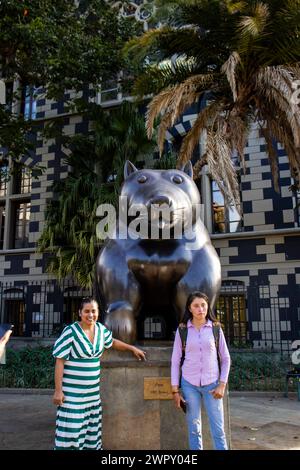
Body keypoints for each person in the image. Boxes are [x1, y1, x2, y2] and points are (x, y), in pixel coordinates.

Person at [52, 296, 146, 450]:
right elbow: (59, 361)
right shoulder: (70, 331)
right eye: (86, 311)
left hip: (92, 398)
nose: (90, 315)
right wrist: (58, 391)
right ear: (80, 313)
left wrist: (132, 348)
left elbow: (113, 342)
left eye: (93, 311)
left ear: (98, 312)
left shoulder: (101, 330)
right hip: (72, 398)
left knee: (91, 438)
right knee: (71, 437)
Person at [171, 291, 231, 450]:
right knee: (194, 429)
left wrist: (222, 385)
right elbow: (175, 361)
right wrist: (175, 390)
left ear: (207, 307)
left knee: (218, 430)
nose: (200, 309)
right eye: (196, 306)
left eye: (203, 305)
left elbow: (226, 359)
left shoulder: (215, 329)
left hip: (213, 385)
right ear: (190, 308)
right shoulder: (182, 330)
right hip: (189, 385)